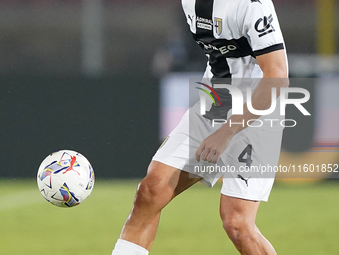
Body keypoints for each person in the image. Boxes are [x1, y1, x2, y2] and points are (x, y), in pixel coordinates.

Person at [111, 0, 288, 254]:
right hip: (214, 104)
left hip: (258, 113)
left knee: (237, 223)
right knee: (150, 191)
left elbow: (277, 77)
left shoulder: (252, 5)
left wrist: (226, 132)